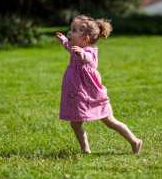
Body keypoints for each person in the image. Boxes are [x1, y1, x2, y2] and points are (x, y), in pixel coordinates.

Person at [56, 15, 142, 154]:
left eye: (74, 30)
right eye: (70, 29)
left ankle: (134, 141)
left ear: (85, 39)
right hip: (79, 95)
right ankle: (85, 149)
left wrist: (81, 53)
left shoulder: (89, 52)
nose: (69, 33)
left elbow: (88, 59)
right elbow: (68, 45)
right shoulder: (75, 47)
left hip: (92, 97)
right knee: (75, 124)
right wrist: (62, 39)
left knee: (110, 122)